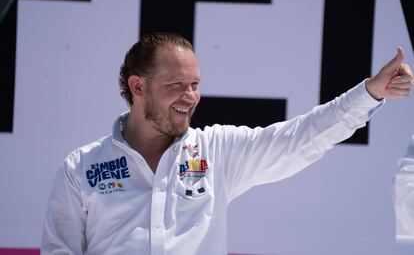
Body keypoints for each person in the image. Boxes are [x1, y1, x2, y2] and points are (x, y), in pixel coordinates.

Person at [41, 32, 413, 255]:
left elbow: (303, 137)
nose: (190, 96)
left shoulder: (216, 151)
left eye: (195, 84)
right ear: (138, 87)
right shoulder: (82, 168)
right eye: (176, 85)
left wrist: (369, 93)